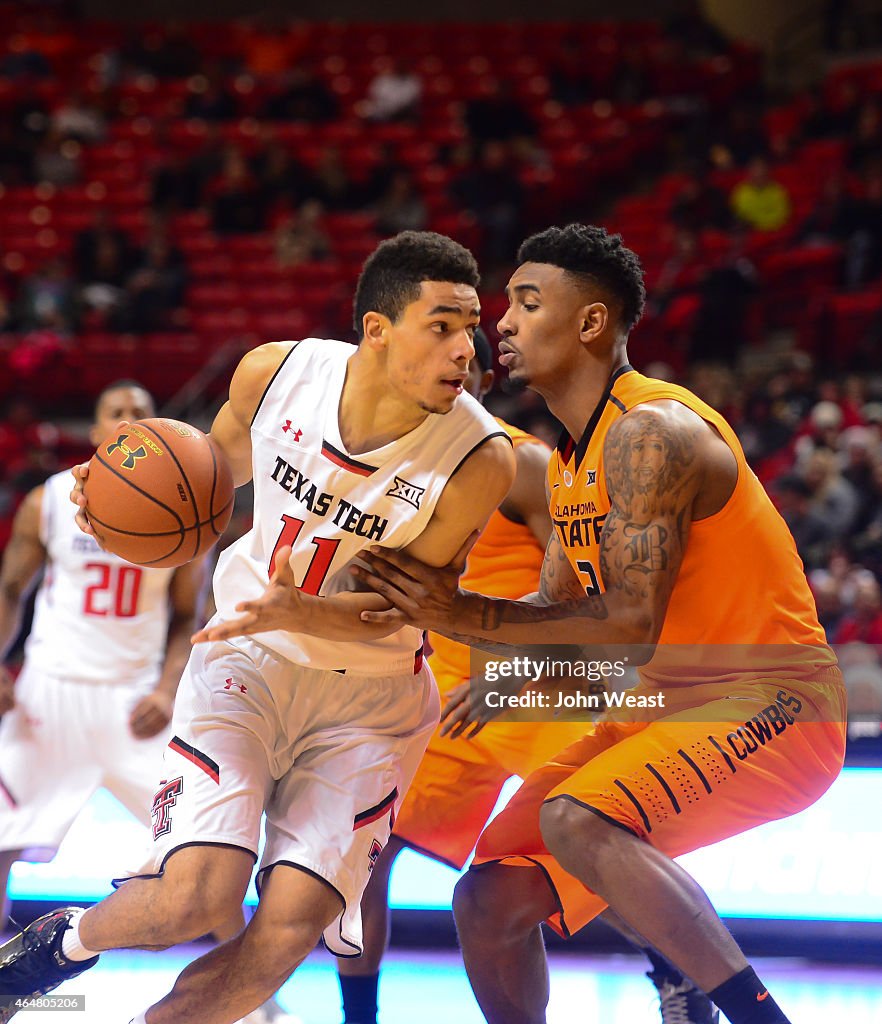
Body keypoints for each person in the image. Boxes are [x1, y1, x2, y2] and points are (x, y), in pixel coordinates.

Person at [0, 231, 515, 1024]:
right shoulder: (277, 374)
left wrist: (299, 610)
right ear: (377, 328)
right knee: (192, 902)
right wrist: (110, 504)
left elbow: (409, 602)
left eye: (471, 327)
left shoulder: (480, 456)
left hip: (371, 701)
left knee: (284, 933)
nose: (465, 348)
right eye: (441, 324)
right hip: (246, 664)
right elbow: (202, 483)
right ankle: (52, 950)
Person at [352, 224, 846, 1024]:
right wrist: (497, 671)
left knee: (575, 817)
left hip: (772, 701)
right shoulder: (574, 459)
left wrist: (457, 611)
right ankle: (679, 976)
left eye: (525, 303)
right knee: (487, 899)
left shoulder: (652, 434)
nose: (499, 324)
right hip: (655, 709)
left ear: (590, 324)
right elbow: (553, 619)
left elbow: (627, 627)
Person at [0, 381, 292, 1024]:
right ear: (98, 428)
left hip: (138, 704)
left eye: (139, 411)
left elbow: (186, 614)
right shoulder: (47, 502)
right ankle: (5, 980)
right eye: (115, 412)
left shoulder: (186, 499)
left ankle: (257, 1001)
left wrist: (167, 687)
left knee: (205, 850)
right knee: (0, 840)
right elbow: (12, 588)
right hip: (51, 690)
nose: (128, 418)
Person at [336, 330, 587, 1024]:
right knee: (362, 859)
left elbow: (593, 599)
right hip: (444, 701)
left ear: (479, 379)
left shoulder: (527, 464)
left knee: (596, 844)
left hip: (538, 686)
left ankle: (676, 974)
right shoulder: (381, 476)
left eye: (460, 365)